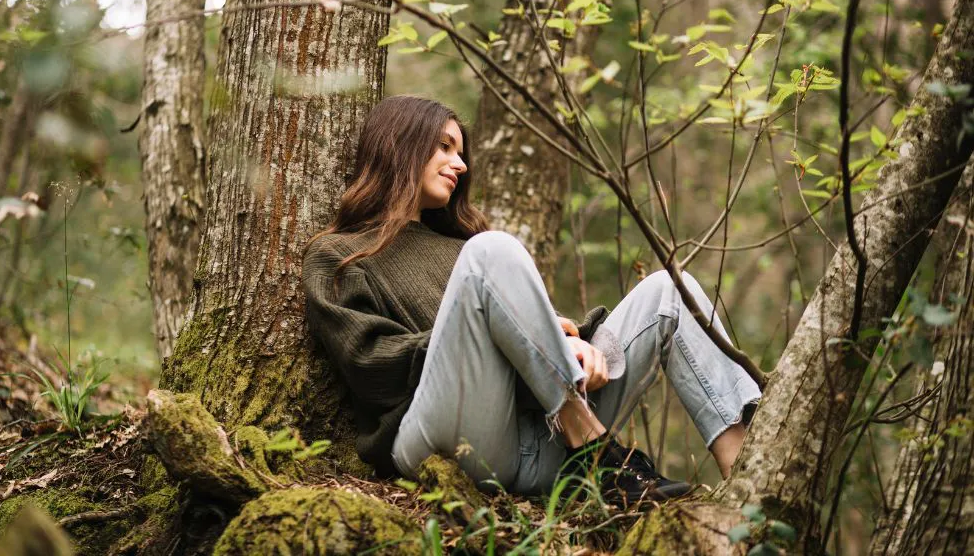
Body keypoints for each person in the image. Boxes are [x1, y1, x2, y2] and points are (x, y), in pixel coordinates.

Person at [303, 95, 760, 506]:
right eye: (444, 147)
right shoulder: (341, 254)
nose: (459, 164)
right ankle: (597, 450)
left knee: (669, 289)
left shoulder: (462, 246)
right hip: (441, 440)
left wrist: (572, 341)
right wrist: (495, 340)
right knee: (492, 249)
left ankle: (748, 490)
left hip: (540, 445)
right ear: (398, 145)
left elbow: (532, 342)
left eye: (460, 152)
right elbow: (369, 365)